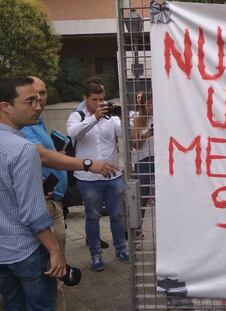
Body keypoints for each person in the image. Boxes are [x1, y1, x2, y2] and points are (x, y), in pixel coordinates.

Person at [20, 76, 117, 310]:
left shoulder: (38, 122)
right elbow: (42, 154)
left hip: (54, 201)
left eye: (42, 94)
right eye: (32, 97)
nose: (39, 101)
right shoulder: (20, 129)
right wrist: (86, 163)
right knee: (44, 268)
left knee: (56, 270)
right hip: (40, 204)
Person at [0, 77, 66, 310]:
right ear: (5, 107)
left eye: (38, 99)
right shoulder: (23, 149)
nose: (37, 106)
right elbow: (32, 214)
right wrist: (55, 249)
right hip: (27, 250)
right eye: (29, 101)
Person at [67, 83, 129, 272]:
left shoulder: (111, 117)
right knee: (92, 217)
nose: (99, 103)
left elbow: (123, 133)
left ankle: (121, 249)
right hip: (88, 178)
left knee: (117, 215)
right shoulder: (77, 116)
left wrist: (123, 116)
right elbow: (74, 133)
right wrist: (94, 118)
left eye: (102, 99)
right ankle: (95, 254)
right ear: (86, 98)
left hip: (113, 175)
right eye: (95, 99)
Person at [132, 92, 154, 247]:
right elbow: (135, 144)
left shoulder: (164, 116)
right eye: (149, 103)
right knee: (142, 196)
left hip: (162, 159)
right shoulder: (138, 119)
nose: (152, 106)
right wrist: (148, 133)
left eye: (154, 103)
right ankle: (137, 232)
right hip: (143, 160)